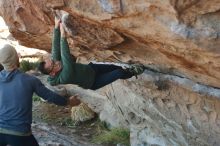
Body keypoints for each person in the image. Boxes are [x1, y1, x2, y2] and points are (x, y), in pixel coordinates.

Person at [0, 44, 81, 146]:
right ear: (16, 58)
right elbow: (49, 96)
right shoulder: (29, 80)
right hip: (19, 133)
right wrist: (69, 101)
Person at [38, 17, 145, 90]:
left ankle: (126, 71)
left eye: (53, 61)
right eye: (53, 65)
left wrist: (56, 27)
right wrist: (63, 34)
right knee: (119, 73)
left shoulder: (54, 64)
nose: (56, 62)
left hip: (91, 69)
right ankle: (133, 72)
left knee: (114, 67)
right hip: (94, 82)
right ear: (52, 73)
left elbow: (55, 47)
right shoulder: (64, 77)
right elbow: (65, 57)